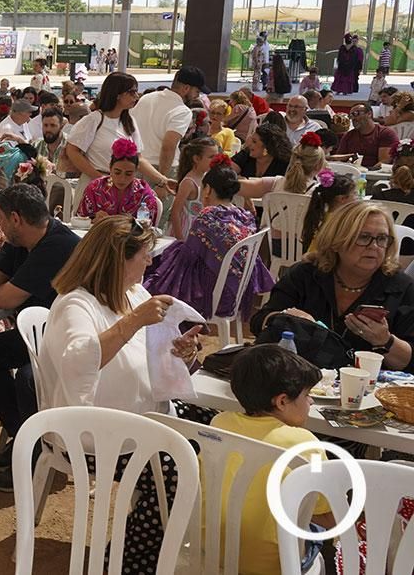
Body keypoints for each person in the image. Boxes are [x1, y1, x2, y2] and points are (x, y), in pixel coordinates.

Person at [39, 214, 203, 574]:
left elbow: (150, 352)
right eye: (143, 255)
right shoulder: (75, 305)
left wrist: (181, 352)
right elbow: (78, 361)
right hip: (93, 435)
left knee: (212, 434)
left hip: (138, 418)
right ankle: (124, 562)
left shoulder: (133, 293)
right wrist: (132, 321)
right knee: (177, 475)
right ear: (118, 260)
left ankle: (149, 552)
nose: (149, 262)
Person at [0, 184, 80, 490]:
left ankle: (35, 453)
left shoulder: (58, 245)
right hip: (36, 334)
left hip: (71, 340)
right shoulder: (20, 239)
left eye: (1, 219)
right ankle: (24, 436)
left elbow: (3, 298)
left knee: (29, 378)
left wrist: (1, 286)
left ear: (16, 219)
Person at [206, 345, 335, 575]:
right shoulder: (306, 444)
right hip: (274, 566)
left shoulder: (219, 423)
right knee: (324, 540)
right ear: (282, 401)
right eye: (307, 395)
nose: (311, 402)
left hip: (212, 553)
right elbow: (330, 518)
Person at [251, 201, 414, 371]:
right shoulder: (306, 275)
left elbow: (410, 362)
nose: (374, 246)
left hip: (369, 382)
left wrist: (384, 341)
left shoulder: (401, 287)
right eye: (363, 237)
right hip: (302, 376)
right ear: (337, 241)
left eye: (382, 239)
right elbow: (259, 322)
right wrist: (284, 319)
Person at [145, 163, 274, 320]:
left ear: (208, 189)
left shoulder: (208, 217)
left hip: (211, 296)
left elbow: (187, 258)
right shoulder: (244, 216)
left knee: (155, 272)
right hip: (235, 292)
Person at [65, 72, 173, 198]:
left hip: (121, 187)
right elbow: (72, 151)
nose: (136, 96)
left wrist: (163, 180)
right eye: (132, 92)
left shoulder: (129, 121)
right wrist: (99, 178)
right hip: (95, 187)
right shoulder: (93, 120)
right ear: (117, 94)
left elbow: (138, 158)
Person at [131, 66, 208, 179]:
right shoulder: (182, 111)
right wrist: (162, 179)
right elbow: (168, 146)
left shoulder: (146, 98)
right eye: (197, 91)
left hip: (137, 163)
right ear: (186, 88)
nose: (197, 96)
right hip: (161, 167)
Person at [76, 140, 161, 225]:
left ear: (136, 171)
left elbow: (149, 226)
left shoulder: (143, 192)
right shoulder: (95, 188)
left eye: (128, 174)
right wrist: (94, 219)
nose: (122, 179)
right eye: (117, 172)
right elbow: (80, 220)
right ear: (110, 168)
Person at [167, 136, 219, 239]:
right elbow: (175, 212)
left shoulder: (206, 177)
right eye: (211, 157)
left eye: (216, 156)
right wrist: (180, 239)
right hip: (185, 231)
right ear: (196, 159)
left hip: (198, 231)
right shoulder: (189, 182)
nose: (215, 160)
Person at [300, 172, 355, 250]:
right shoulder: (340, 221)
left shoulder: (323, 216)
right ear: (342, 199)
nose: (356, 198)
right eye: (354, 194)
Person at [333, 104, 397, 167]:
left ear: (369, 114)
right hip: (352, 170)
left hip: (376, 172)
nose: (353, 118)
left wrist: (368, 171)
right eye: (351, 116)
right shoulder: (349, 135)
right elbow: (339, 158)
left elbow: (384, 161)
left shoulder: (385, 133)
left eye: (356, 114)